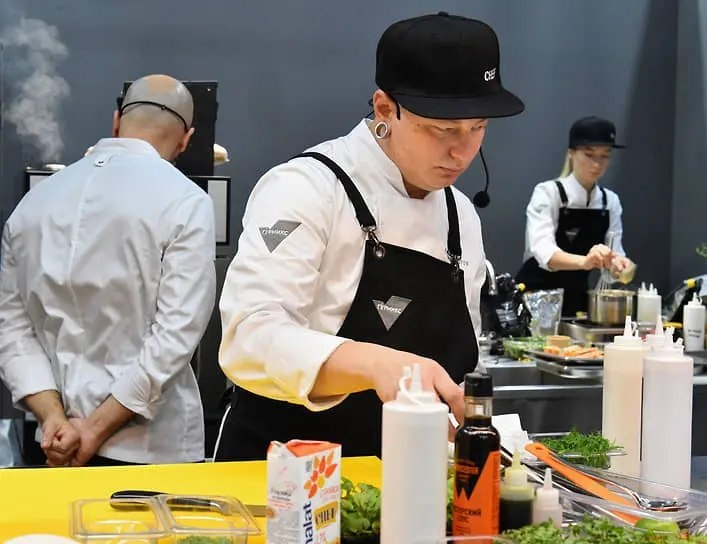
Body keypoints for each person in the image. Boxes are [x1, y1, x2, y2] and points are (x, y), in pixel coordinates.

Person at [215, 12, 524, 461]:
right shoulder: (304, 188)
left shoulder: (461, 216)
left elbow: (459, 365)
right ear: (384, 109)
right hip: (283, 472)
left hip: (403, 480)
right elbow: (249, 337)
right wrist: (377, 363)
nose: (462, 151)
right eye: (443, 129)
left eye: (478, 128)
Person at [0, 74, 216, 467]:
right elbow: (175, 334)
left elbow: (12, 331)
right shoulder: (186, 201)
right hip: (151, 452)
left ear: (116, 121)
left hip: (57, 445)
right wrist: (94, 430)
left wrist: (54, 419)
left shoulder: (32, 204)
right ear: (186, 139)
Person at [516, 116, 635, 316]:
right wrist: (585, 262)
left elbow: (615, 256)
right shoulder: (548, 193)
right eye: (589, 154)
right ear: (571, 153)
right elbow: (545, 253)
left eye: (605, 155)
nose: (597, 164)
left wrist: (620, 266)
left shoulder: (610, 201)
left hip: (577, 302)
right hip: (536, 300)